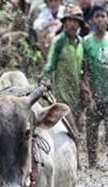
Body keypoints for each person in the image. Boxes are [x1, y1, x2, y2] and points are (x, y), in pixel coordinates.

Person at [42, 4, 85, 140]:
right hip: (62, 97)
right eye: (70, 20)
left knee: (77, 133)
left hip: (77, 97)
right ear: (65, 23)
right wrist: (45, 81)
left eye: (75, 21)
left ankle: (75, 160)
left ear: (79, 24)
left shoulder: (81, 42)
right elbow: (49, 66)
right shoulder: (58, 42)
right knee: (72, 133)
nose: (73, 24)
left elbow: (83, 69)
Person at [82, 5, 108, 168]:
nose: (100, 19)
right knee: (91, 131)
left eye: (103, 16)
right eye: (97, 16)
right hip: (94, 94)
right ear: (92, 20)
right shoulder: (86, 42)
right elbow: (83, 72)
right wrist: (88, 95)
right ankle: (92, 163)